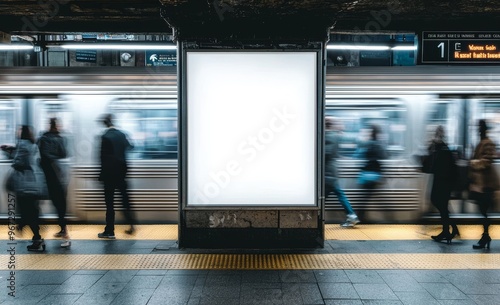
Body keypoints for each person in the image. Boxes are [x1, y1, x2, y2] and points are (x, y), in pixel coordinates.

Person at [3, 126, 45, 251]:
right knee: (31, 212)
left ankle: (31, 233)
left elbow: (19, 162)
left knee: (27, 212)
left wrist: (9, 152)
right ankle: (36, 238)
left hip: (24, 185)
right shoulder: (33, 145)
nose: (17, 131)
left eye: (20, 129)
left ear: (23, 132)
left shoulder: (22, 144)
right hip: (34, 183)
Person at [98, 114, 136, 238]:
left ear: (105, 123)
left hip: (109, 175)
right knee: (125, 199)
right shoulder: (122, 134)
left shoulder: (105, 137)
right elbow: (131, 147)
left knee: (110, 204)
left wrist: (101, 175)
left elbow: (103, 158)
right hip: (121, 173)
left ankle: (109, 231)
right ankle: (131, 225)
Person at [38, 118, 71, 248]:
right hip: (60, 177)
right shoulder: (60, 138)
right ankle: (63, 231)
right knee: (60, 206)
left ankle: (65, 235)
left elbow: (42, 156)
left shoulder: (44, 138)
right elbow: (64, 153)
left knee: (52, 205)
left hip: (49, 178)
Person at [469, 119, 500, 249]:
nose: (478, 130)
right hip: (481, 184)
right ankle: (485, 236)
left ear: (483, 129)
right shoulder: (482, 142)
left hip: (486, 184)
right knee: (483, 212)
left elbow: (487, 161)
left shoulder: (487, 143)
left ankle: (485, 236)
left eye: (479, 128)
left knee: (484, 212)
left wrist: (473, 163)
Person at [426, 126, 459, 243]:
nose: (437, 134)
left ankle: (448, 230)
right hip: (440, 180)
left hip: (443, 181)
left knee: (440, 203)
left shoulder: (444, 147)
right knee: (441, 205)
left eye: (439, 132)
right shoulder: (437, 146)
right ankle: (452, 228)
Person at [325, 117, 359, 227]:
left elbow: (326, 154)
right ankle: (352, 216)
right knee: (340, 195)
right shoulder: (336, 136)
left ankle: (312, 219)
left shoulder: (324, 136)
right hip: (332, 172)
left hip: (326, 173)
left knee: (319, 199)